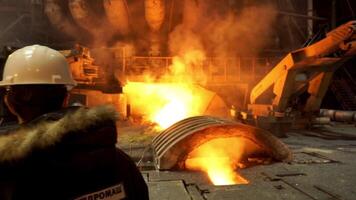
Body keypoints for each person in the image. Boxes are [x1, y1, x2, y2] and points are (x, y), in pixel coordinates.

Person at [0, 45, 149, 200]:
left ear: (11, 102)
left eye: (8, 92)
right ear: (66, 98)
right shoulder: (121, 164)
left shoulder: (11, 174)